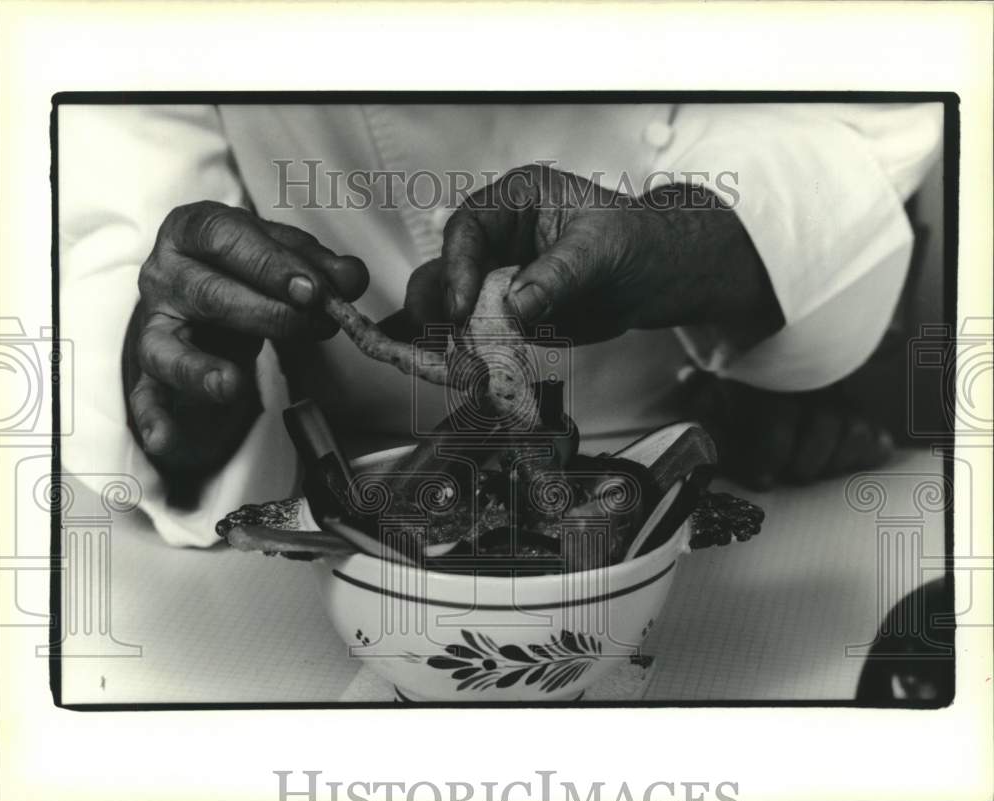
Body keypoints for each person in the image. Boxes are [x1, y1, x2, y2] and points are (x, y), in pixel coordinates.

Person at [59, 102, 943, 546]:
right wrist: (177, 381)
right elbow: (114, 167)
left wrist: (708, 244)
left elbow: (867, 106)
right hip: (351, 516)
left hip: (738, 452)